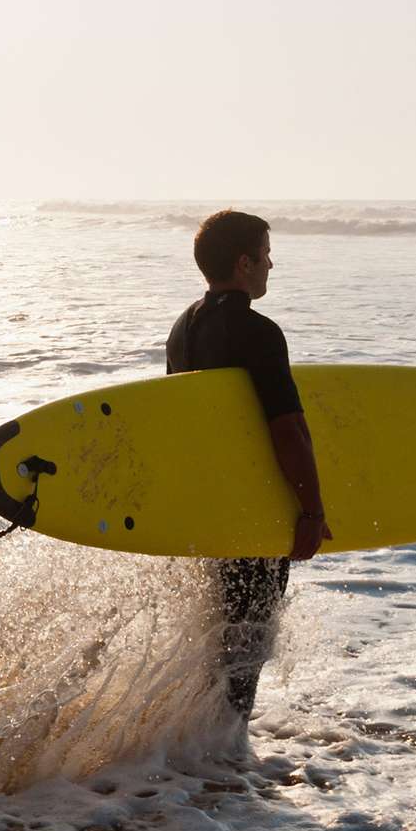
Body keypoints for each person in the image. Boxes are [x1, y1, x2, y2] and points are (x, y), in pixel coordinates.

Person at [165, 210, 331, 722]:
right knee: (248, 644)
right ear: (244, 263)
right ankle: (226, 762)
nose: (270, 264)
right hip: (253, 511)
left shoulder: (183, 328)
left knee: (220, 638)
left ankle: (201, 751)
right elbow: (288, 429)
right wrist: (311, 510)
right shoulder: (259, 333)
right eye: (264, 253)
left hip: (210, 509)